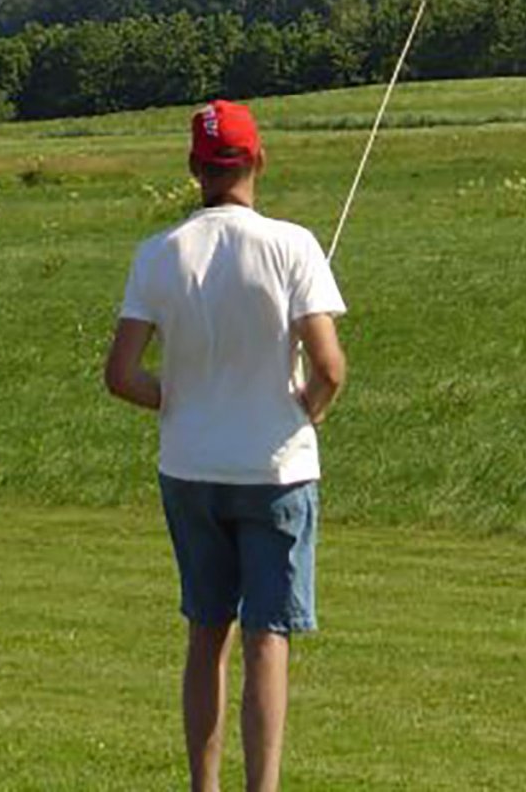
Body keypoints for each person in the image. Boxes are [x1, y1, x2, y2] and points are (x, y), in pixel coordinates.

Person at [103, 99, 347, 792]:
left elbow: (121, 375)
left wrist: (180, 398)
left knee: (207, 632)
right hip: (275, 470)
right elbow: (329, 367)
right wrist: (308, 410)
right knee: (268, 637)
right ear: (258, 159)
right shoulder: (293, 245)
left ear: (194, 168)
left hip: (190, 469)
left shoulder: (158, 253)